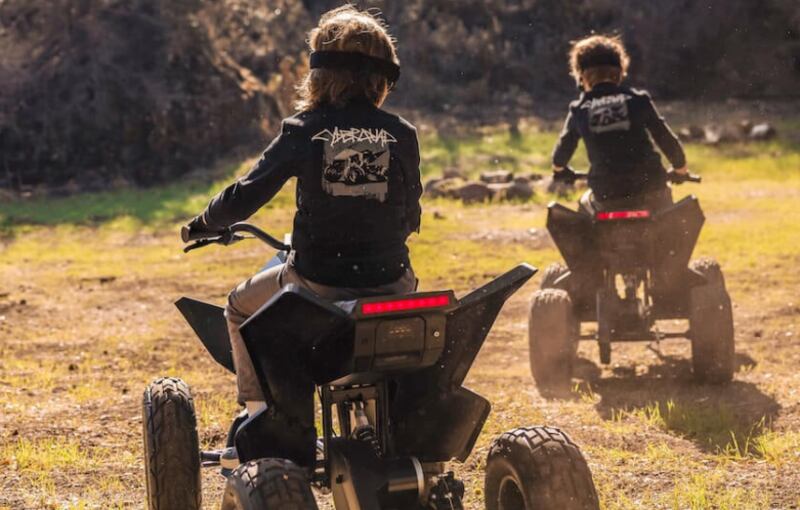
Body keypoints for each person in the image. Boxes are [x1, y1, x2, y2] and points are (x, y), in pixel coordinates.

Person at [183, 5, 421, 467]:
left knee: (237, 307)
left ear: (320, 73)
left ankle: (261, 418)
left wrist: (205, 222)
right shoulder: (402, 134)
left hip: (317, 285)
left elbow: (244, 196)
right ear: (383, 77)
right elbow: (411, 216)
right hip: (392, 283)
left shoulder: (304, 130)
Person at [551, 34, 689, 213]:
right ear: (620, 71)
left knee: (586, 209)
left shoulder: (580, 109)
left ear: (581, 76)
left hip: (607, 196)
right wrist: (680, 169)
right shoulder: (638, 100)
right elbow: (665, 138)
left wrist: (559, 170)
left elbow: (562, 152)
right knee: (668, 218)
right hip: (651, 189)